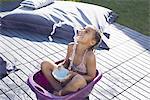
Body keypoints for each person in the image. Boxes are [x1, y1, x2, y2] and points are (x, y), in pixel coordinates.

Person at [41, 25, 102, 96]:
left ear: (92, 42)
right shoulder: (71, 47)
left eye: (86, 32)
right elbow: (66, 62)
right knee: (45, 64)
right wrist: (61, 66)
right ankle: (58, 88)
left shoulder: (90, 56)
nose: (81, 31)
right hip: (66, 77)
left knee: (78, 79)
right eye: (83, 29)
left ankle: (60, 93)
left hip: (78, 84)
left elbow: (91, 77)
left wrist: (74, 74)